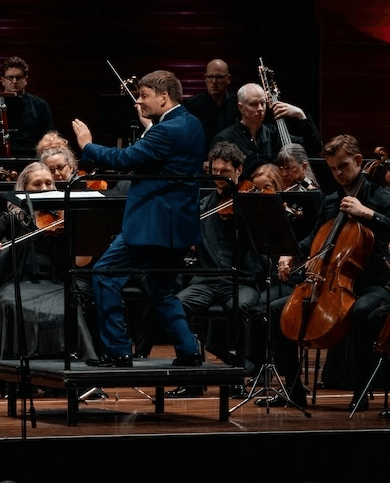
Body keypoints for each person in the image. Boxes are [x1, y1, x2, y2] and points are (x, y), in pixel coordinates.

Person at [71, 70, 205, 368]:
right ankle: (189, 351)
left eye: (144, 96)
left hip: (150, 227)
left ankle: (118, 351)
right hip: (177, 228)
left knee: (104, 274)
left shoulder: (164, 131)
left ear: (163, 97)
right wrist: (150, 124)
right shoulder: (191, 123)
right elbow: (162, 153)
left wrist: (87, 145)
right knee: (161, 291)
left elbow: (124, 160)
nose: (139, 101)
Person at [267, 134, 390, 411]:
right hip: (330, 283)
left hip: (373, 283)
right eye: (333, 169)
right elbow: (314, 239)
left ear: (358, 161)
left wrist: (369, 214)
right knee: (276, 310)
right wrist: (289, 252)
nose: (338, 174)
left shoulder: (380, 196)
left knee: (362, 312)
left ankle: (360, 391)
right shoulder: (332, 201)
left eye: (343, 167)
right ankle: (294, 389)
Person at [167, 142, 265, 398]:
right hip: (206, 280)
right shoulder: (204, 205)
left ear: (238, 170)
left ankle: (237, 377)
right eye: (214, 170)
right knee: (176, 305)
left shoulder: (250, 202)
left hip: (241, 281)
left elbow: (264, 242)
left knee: (238, 307)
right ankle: (193, 376)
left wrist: (249, 214)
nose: (218, 177)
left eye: (225, 171)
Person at [0, 161, 97, 365]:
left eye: (48, 184)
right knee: (6, 304)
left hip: (56, 284)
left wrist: (80, 233)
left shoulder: (63, 219)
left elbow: (82, 261)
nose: (44, 189)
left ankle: (71, 370)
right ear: (24, 189)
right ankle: (13, 372)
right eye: (37, 184)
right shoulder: (14, 218)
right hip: (19, 283)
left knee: (70, 304)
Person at [212, 83, 321, 180]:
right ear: (241, 107)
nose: (260, 108)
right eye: (254, 104)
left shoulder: (274, 134)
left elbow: (314, 147)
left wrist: (301, 115)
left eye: (263, 103)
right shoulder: (225, 138)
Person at [0, 57, 53, 158]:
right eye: (10, 78)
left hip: (33, 157)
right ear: (3, 80)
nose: (14, 81)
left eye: (19, 77)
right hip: (2, 157)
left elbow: (49, 137)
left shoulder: (40, 105)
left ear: (25, 80)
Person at [184, 59, 239, 149]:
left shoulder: (238, 104)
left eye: (219, 77)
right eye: (210, 77)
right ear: (205, 78)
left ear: (228, 79)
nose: (214, 82)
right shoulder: (192, 105)